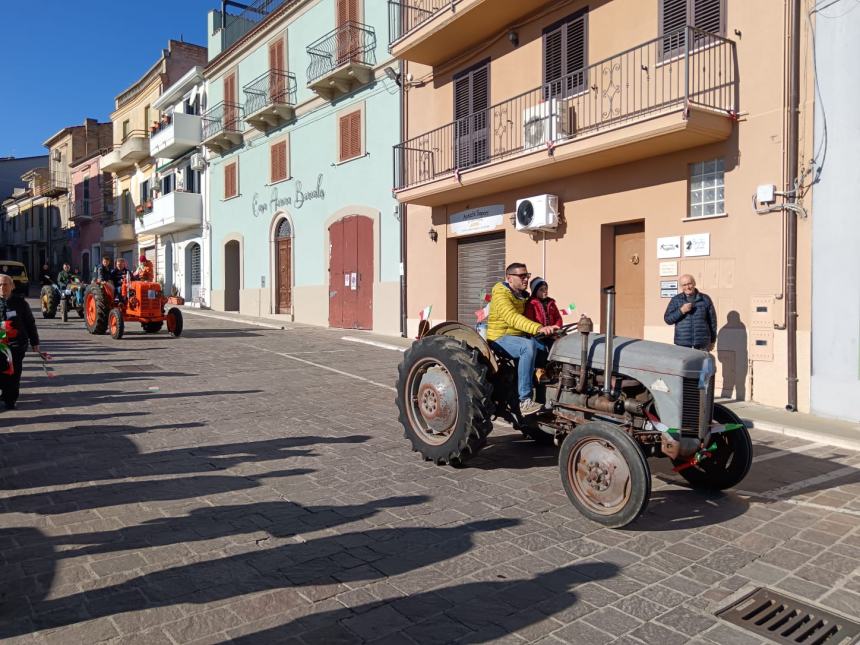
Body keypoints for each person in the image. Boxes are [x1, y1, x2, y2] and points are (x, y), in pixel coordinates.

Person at [487, 263, 559, 416]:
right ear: (509, 278)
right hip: (500, 338)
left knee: (549, 348)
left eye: (527, 275)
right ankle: (524, 401)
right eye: (522, 276)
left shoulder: (523, 296)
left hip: (518, 337)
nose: (526, 279)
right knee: (527, 347)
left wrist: (550, 329)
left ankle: (546, 397)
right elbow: (512, 318)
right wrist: (538, 328)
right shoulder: (501, 294)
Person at [0, 273, 44, 410]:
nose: (2, 288)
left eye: (5, 284)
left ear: (12, 286)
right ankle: (4, 393)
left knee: (14, 372)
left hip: (16, 344)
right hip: (0, 345)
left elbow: (30, 323)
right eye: (0, 285)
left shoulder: (21, 303)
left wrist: (35, 342)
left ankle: (10, 399)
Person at [663, 274, 717, 351]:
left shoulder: (705, 299)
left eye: (689, 284)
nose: (687, 287)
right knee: (684, 363)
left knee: (701, 363)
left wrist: (712, 341)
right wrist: (681, 311)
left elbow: (712, 322)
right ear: (681, 287)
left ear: (694, 283)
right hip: (682, 344)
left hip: (702, 344)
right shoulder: (676, 300)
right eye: (684, 285)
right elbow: (667, 319)